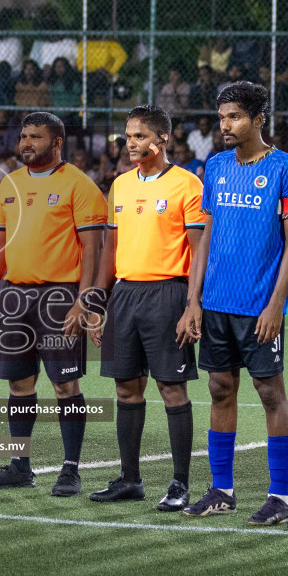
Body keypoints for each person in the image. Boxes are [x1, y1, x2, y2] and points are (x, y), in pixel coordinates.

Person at [182, 82, 288, 522]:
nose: (225, 125)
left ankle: (279, 497)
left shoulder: (286, 169)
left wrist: (277, 304)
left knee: (270, 392)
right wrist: (193, 301)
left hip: (258, 306)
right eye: (221, 118)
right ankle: (221, 489)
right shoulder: (214, 167)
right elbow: (207, 237)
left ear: (258, 120)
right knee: (219, 388)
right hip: (215, 303)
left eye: (234, 117)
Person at [0, 112, 107, 493]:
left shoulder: (79, 186)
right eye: (23, 136)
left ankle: (70, 469)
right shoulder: (9, 185)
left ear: (57, 143)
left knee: (64, 385)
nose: (26, 143)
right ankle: (20, 465)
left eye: (35, 137)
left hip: (60, 297)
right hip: (14, 296)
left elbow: (93, 250)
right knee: (19, 384)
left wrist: (84, 301)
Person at [88, 107, 206, 509]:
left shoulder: (188, 186)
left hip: (167, 294)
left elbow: (197, 250)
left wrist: (193, 304)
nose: (130, 143)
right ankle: (130, 479)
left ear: (162, 141)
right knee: (125, 387)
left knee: (171, 388)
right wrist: (97, 301)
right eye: (128, 136)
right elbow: (111, 249)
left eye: (139, 136)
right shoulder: (119, 186)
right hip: (125, 294)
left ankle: (180, 484)